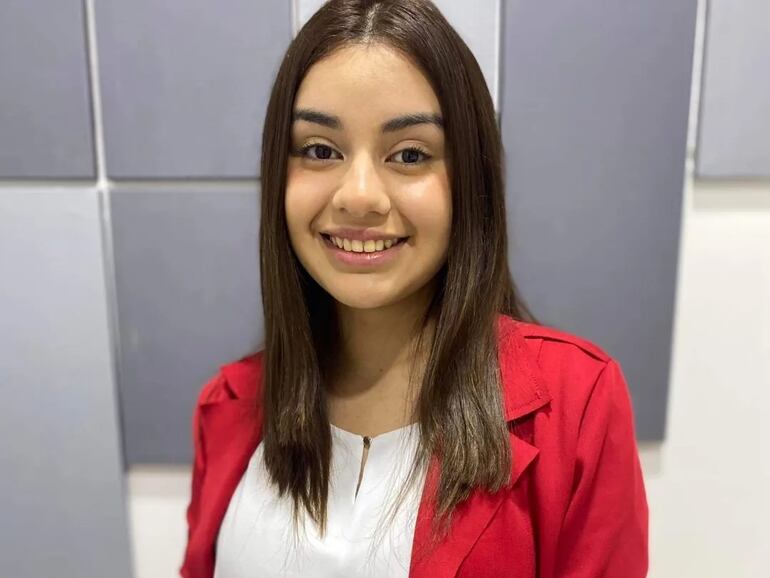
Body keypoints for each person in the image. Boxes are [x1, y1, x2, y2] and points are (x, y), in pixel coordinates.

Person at [180, 1, 649, 576]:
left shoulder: (576, 406)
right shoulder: (226, 406)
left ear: (470, 179)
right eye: (320, 151)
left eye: (409, 155)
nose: (358, 196)